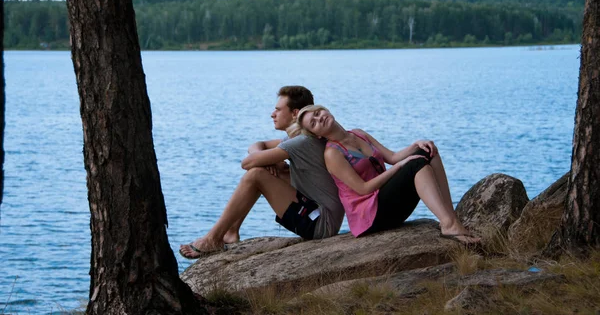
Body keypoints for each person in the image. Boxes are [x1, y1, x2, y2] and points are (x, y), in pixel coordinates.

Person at [179, 87, 345, 259]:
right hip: (320, 213)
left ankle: (212, 239)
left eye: (278, 110)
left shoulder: (301, 142)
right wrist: (270, 161)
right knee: (264, 170)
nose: (272, 114)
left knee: (256, 174)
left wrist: (266, 161)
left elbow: (247, 163)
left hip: (320, 223)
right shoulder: (298, 138)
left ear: (295, 113)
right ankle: (231, 232)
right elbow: (258, 144)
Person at [294, 104, 480, 245]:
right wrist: (399, 167)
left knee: (428, 151)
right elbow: (363, 188)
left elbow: (391, 156)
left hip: (387, 201)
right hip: (371, 216)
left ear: (324, 109)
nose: (320, 119)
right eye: (314, 123)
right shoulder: (332, 154)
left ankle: (451, 220)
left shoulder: (358, 134)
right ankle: (449, 226)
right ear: (317, 134)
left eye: (318, 113)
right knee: (414, 164)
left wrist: (417, 144)